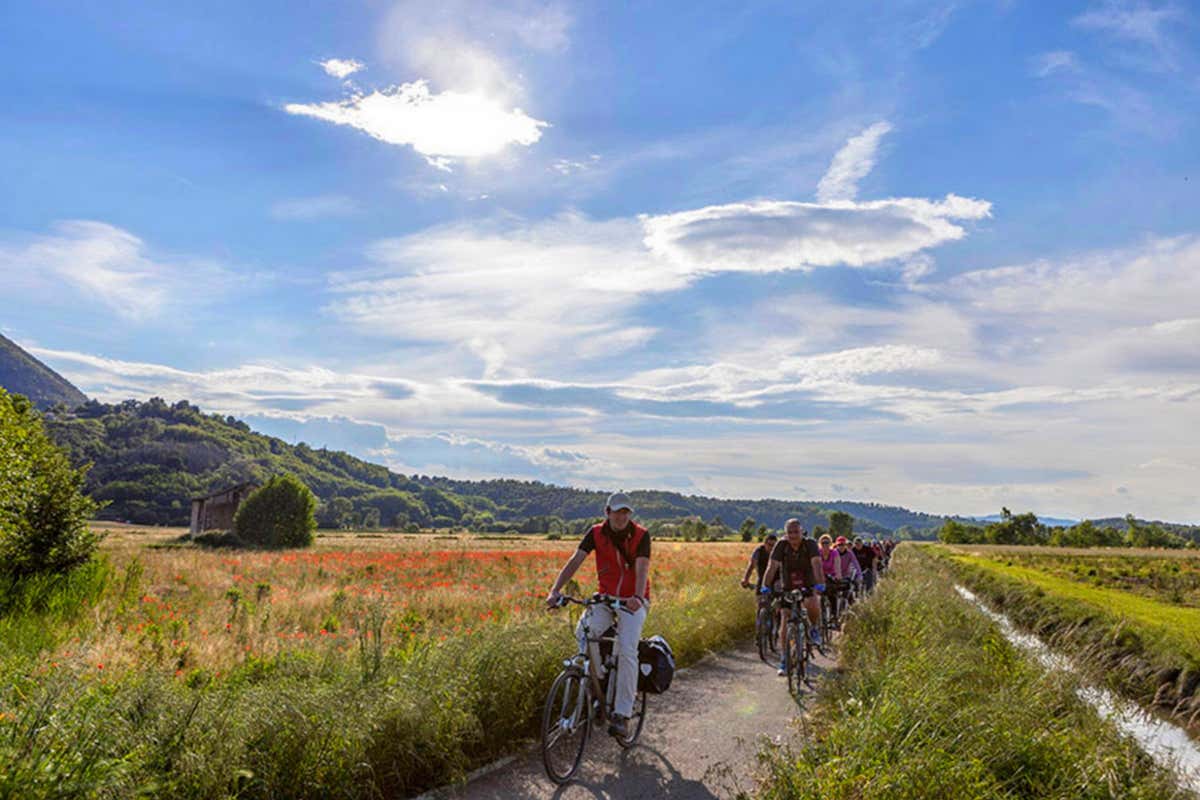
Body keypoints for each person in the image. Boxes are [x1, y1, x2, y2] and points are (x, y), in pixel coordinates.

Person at [546, 491, 650, 738]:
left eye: (625, 512)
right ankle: (599, 681)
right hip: (605, 598)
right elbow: (575, 560)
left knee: (627, 650)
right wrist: (555, 590)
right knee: (584, 632)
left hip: (632, 601)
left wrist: (637, 597)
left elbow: (642, 568)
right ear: (607, 512)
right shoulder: (595, 533)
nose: (621, 517)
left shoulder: (641, 535)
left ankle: (622, 714)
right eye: (617, 512)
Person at [761, 519, 825, 675]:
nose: (793, 535)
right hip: (788, 584)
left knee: (812, 602)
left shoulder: (810, 544)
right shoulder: (781, 546)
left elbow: (816, 564)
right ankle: (784, 658)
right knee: (785, 618)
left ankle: (814, 628)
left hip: (807, 581)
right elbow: (772, 566)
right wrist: (765, 585)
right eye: (789, 532)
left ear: (802, 532)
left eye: (796, 532)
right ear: (785, 533)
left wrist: (820, 583)